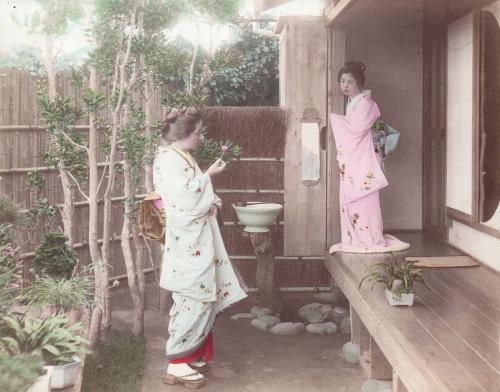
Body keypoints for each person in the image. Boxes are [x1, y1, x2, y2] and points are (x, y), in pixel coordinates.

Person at [153, 108, 248, 388]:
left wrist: (210, 192)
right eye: (198, 133)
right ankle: (177, 363)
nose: (201, 137)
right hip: (187, 239)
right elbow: (184, 199)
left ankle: (188, 355)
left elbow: (196, 191)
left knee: (201, 296)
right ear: (183, 134)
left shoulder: (181, 156)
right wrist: (207, 175)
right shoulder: (168, 160)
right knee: (194, 297)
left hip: (195, 237)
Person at [329, 62, 409, 254]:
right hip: (356, 158)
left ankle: (370, 238)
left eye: (350, 82)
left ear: (359, 83)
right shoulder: (353, 102)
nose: (345, 85)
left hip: (364, 158)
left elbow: (355, 130)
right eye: (342, 81)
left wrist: (333, 118)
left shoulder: (365, 104)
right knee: (353, 198)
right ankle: (357, 237)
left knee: (365, 199)